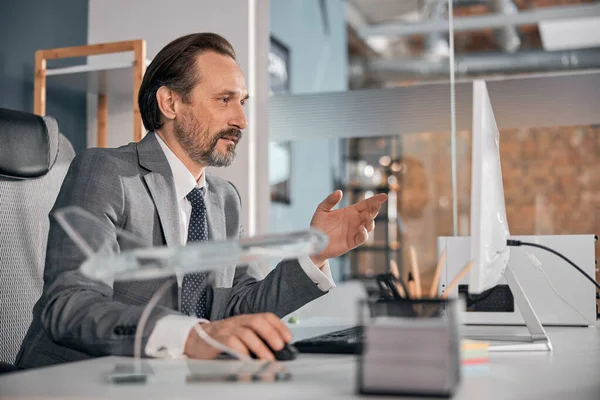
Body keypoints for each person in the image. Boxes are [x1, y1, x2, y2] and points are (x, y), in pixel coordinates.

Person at [16, 33, 387, 368]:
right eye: (224, 100)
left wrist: (315, 254)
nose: (241, 119)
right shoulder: (107, 172)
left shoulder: (225, 200)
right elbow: (69, 305)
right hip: (75, 379)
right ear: (170, 103)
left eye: (242, 102)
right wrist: (191, 336)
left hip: (171, 382)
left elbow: (240, 309)